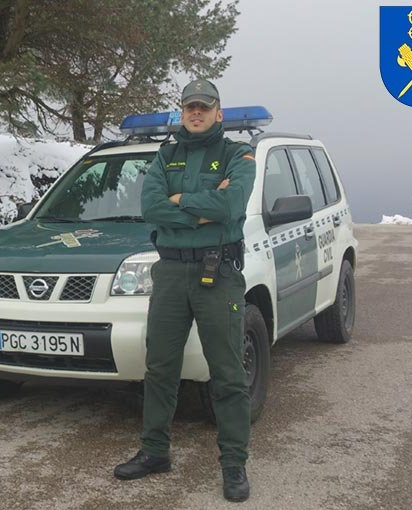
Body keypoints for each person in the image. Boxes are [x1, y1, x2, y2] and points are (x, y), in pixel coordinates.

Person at [113, 79, 256, 503]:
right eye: (190, 106)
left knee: (228, 374)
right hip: (172, 273)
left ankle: (234, 465)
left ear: (219, 113)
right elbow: (150, 208)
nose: (197, 112)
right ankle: (155, 451)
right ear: (183, 111)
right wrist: (202, 206)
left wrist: (180, 204)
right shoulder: (166, 153)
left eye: (205, 107)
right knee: (159, 368)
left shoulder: (236, 154)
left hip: (218, 274)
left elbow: (232, 207)